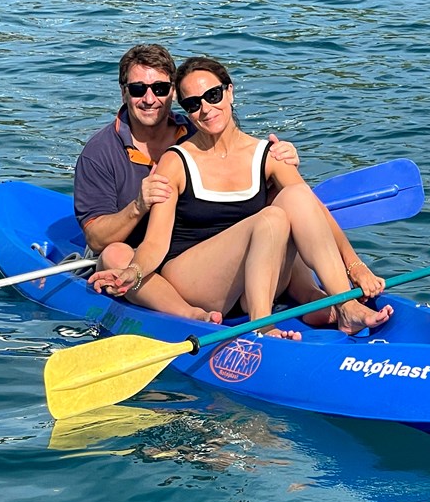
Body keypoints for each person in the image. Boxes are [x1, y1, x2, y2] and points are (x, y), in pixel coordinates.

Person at [88, 56, 392, 338]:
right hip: (195, 282)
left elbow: (316, 212)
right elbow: (155, 243)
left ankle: (344, 305)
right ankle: (263, 325)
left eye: (213, 95)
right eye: (193, 104)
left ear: (229, 91)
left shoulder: (268, 154)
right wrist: (134, 272)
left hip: (254, 281)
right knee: (272, 217)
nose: (205, 109)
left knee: (298, 195)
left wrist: (356, 266)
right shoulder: (175, 161)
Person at [73, 44, 301, 323]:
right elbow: (96, 238)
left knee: (283, 218)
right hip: (143, 261)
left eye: (159, 89)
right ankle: (190, 315)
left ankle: (318, 298)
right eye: (138, 89)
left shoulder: (200, 127)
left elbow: (243, 177)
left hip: (206, 257)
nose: (149, 99)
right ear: (124, 93)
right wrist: (138, 206)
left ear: (172, 92)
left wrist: (279, 162)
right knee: (114, 254)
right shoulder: (100, 152)